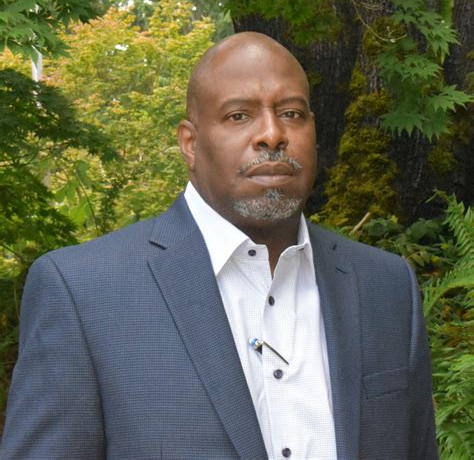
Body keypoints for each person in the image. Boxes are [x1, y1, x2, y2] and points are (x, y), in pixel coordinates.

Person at [1, 32, 438, 459]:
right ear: (190, 144)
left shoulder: (386, 287)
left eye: (291, 113)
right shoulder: (84, 293)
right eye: (239, 116)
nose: (272, 134)